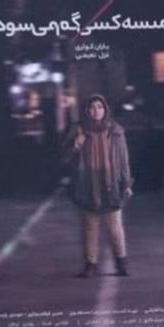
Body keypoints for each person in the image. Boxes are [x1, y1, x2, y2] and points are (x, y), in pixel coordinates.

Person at [64, 94, 134, 277]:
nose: (97, 111)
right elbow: (65, 160)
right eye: (93, 107)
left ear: (105, 109)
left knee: (115, 227)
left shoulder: (116, 130)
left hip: (111, 183)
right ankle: (90, 264)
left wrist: (127, 183)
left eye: (100, 107)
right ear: (87, 110)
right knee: (90, 227)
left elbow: (123, 159)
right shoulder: (78, 131)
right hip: (88, 184)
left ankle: (121, 263)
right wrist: (76, 147)